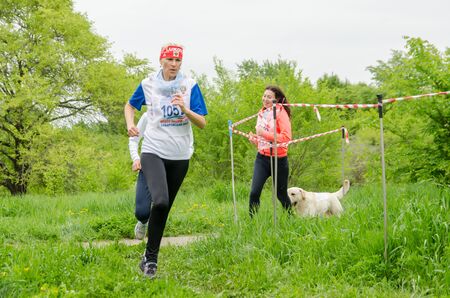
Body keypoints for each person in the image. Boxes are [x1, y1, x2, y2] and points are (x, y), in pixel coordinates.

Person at [124, 43, 208, 279]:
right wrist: (130, 125)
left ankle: (147, 258)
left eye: (178, 61)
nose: (174, 64)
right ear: (161, 60)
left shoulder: (189, 85)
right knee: (159, 202)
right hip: (153, 150)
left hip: (180, 155)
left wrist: (185, 109)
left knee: (164, 209)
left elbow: (202, 122)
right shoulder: (148, 83)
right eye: (169, 60)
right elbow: (130, 105)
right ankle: (152, 261)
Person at [248, 85, 292, 217]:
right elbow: (263, 140)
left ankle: (291, 219)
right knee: (254, 192)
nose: (265, 99)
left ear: (276, 99)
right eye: (264, 96)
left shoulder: (281, 113)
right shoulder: (262, 113)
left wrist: (264, 133)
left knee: (281, 195)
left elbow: (286, 137)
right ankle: (252, 223)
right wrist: (255, 139)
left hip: (279, 160)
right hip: (262, 158)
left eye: (269, 97)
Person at [128, 113, 151, 240]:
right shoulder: (148, 116)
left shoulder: (177, 116)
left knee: (162, 204)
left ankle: (153, 246)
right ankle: (143, 222)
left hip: (168, 165)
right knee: (142, 212)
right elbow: (134, 139)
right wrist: (136, 158)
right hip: (147, 165)